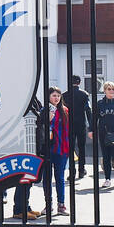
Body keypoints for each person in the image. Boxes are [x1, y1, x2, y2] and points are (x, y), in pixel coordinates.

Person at [40, 86, 71, 215]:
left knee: (60, 177)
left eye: (58, 96)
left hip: (62, 148)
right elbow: (41, 126)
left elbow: (68, 129)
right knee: (47, 178)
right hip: (48, 148)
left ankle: (61, 204)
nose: (56, 98)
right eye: (53, 95)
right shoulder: (44, 110)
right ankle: (48, 204)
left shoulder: (64, 110)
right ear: (48, 97)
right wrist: (48, 118)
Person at [63, 74, 93, 180]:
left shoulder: (65, 95)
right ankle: (81, 170)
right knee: (82, 147)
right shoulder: (84, 94)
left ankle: (72, 172)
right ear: (79, 82)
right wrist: (91, 126)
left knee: (70, 149)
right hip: (81, 124)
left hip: (69, 125)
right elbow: (88, 110)